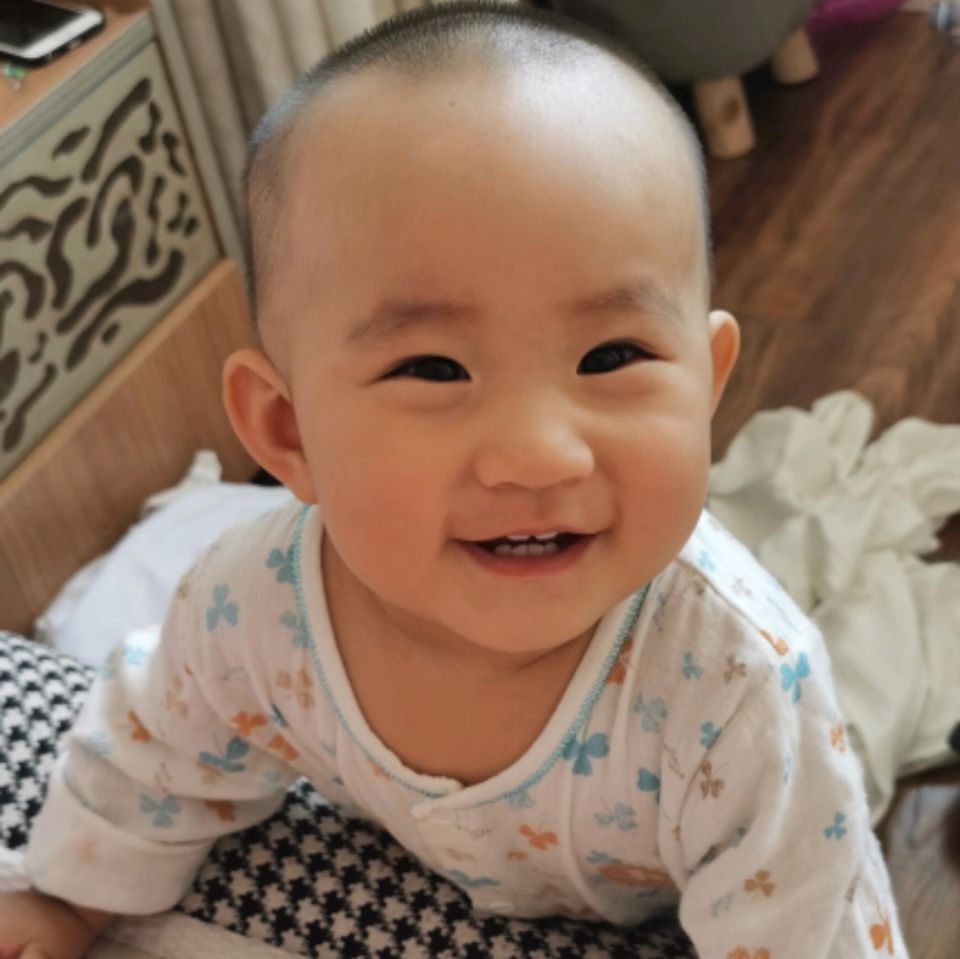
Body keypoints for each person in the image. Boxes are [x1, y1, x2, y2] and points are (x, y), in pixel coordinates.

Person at [0, 3, 907, 957]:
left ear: (708, 386)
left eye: (611, 355)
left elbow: (809, 927)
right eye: (433, 368)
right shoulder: (249, 609)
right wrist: (70, 896)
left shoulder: (740, 696)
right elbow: (156, 748)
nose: (540, 454)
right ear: (286, 430)